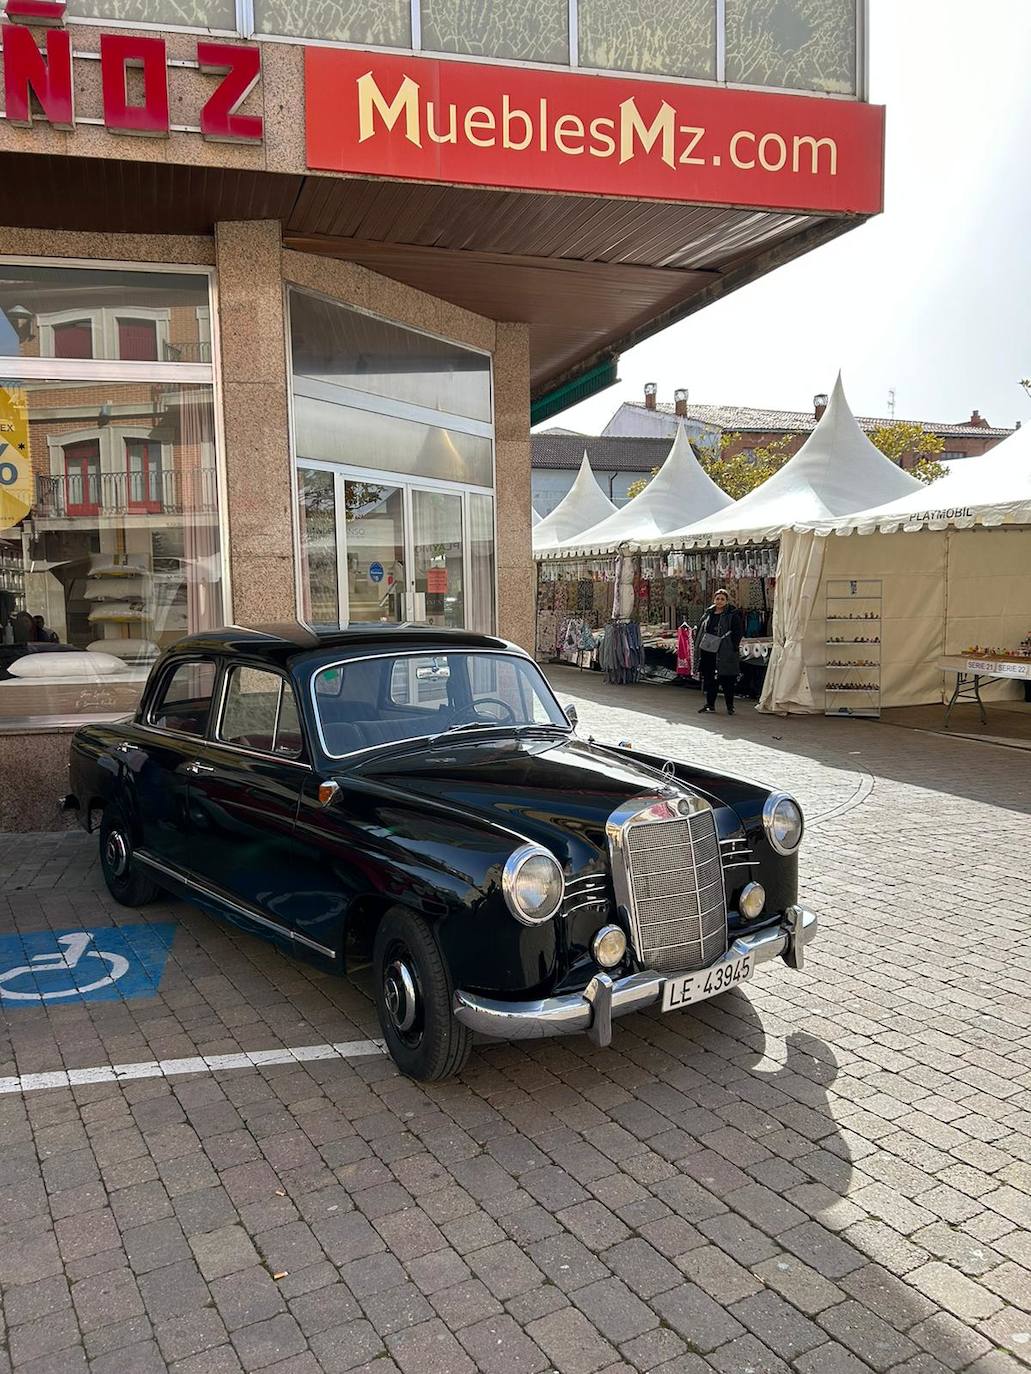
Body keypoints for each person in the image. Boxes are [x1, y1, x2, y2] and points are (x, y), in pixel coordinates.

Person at [696, 588, 744, 715]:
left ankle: (730, 706)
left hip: (725, 650)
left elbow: (738, 632)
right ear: (714, 600)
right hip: (709, 650)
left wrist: (733, 646)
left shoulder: (732, 614)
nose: (719, 601)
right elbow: (702, 628)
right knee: (710, 678)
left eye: (722, 599)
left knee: (727, 679)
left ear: (726, 601)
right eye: (717, 598)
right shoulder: (708, 613)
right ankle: (710, 704)